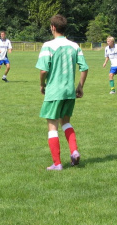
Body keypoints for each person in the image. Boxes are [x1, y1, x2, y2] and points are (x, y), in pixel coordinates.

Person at [36, 15, 89, 170]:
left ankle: (57, 163)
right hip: (69, 92)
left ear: (53, 27)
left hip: (54, 92)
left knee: (52, 127)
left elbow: (43, 70)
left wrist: (41, 84)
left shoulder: (48, 46)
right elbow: (84, 68)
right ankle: (74, 151)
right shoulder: (74, 46)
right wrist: (80, 86)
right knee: (66, 122)